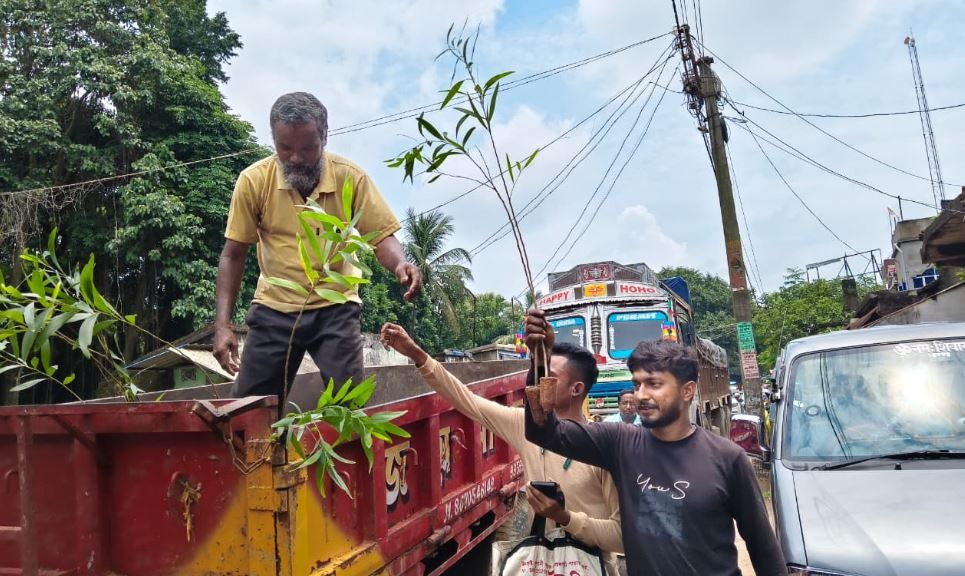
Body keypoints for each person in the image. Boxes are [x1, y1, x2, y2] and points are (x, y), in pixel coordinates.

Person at [523, 309, 785, 576]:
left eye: (654, 384)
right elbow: (543, 432)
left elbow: (763, 547)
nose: (641, 395)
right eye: (637, 385)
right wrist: (539, 358)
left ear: (688, 390)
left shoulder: (728, 458)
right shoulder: (620, 443)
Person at [213, 92, 422, 398]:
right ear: (273, 140)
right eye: (285, 148)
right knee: (249, 411)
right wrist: (222, 325)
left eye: (307, 148)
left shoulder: (351, 178)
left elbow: (381, 236)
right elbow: (233, 255)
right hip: (275, 308)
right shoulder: (254, 181)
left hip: (335, 307)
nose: (295, 158)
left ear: (325, 137)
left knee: (349, 406)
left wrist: (400, 264)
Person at [379, 322, 624, 575]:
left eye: (549, 375)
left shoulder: (603, 447)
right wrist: (417, 354)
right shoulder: (525, 427)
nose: (539, 381)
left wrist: (565, 518)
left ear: (576, 389)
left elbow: (620, 536)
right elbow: (466, 400)